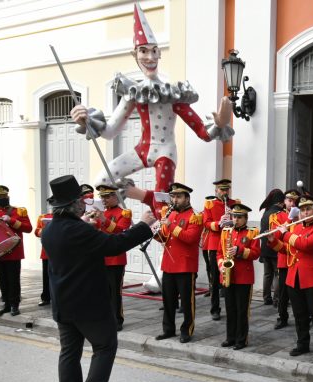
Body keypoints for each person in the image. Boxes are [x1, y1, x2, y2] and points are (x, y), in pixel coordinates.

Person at [69, 3, 233, 213]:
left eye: (154, 51)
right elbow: (110, 132)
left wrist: (219, 123)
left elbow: (202, 132)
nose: (149, 57)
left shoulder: (172, 93)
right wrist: (87, 120)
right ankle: (104, 220)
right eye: (143, 51)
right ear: (134, 54)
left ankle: (139, 200)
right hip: (143, 149)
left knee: (162, 203)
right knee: (101, 179)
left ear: (159, 54)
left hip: (166, 152)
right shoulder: (133, 93)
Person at [41, 175, 156, 382]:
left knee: (69, 352)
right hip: (88, 303)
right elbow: (115, 244)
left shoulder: (51, 228)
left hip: (63, 302)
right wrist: (144, 225)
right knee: (105, 346)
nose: (86, 203)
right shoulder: (78, 230)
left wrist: (85, 225)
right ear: (76, 205)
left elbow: (77, 241)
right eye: (82, 200)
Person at [270, 194, 313, 361]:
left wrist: (284, 235)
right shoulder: (295, 228)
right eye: (303, 210)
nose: (305, 213)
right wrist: (272, 241)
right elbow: (288, 250)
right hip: (294, 276)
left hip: (312, 277)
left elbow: (305, 245)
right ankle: (302, 344)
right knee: (299, 314)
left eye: (308, 210)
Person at [154, 183, 204, 343]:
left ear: (187, 198)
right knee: (168, 300)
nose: (175, 200)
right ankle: (168, 329)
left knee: (187, 301)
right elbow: (165, 238)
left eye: (178, 197)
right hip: (169, 264)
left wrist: (171, 225)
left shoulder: (195, 216)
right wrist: (154, 232)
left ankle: (186, 330)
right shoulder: (170, 214)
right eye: (173, 196)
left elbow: (190, 239)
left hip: (185, 265)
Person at [86, 185, 132, 331]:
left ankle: (117, 319)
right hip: (100, 257)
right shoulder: (100, 213)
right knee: (101, 291)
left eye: (107, 196)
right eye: (102, 197)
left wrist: (104, 220)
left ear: (115, 197)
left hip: (116, 258)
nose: (103, 200)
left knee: (115, 292)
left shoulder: (124, 213)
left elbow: (120, 231)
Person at [0, 185, 32, 316]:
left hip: (14, 251)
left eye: (4, 196)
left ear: (8, 196)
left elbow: (28, 228)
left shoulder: (19, 211)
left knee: (13, 280)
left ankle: (15, 305)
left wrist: (11, 220)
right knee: (2, 279)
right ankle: (6, 304)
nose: (2, 198)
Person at [218, 204, 260, 350]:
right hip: (228, 275)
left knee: (242, 310)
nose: (236, 220)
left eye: (239, 217)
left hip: (244, 277)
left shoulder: (253, 232)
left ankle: (241, 340)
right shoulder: (225, 232)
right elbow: (219, 253)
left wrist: (240, 250)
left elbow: (256, 253)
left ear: (246, 218)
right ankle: (230, 337)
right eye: (234, 217)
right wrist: (221, 264)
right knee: (230, 309)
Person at [202, 179, 239, 320]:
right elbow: (205, 222)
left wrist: (232, 218)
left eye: (226, 189)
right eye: (222, 190)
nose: (225, 192)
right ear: (216, 191)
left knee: (232, 275)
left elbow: (241, 221)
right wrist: (218, 223)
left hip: (230, 242)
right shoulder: (210, 204)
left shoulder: (234, 203)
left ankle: (232, 306)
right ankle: (215, 308)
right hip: (214, 243)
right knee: (215, 277)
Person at [268, 189, 300, 329]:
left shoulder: (303, 215)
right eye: (289, 200)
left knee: (299, 291)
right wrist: (289, 219)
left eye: (294, 200)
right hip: (284, 257)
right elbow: (275, 236)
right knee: (282, 292)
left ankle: (303, 317)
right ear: (284, 201)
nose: (292, 203)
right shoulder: (277, 216)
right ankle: (282, 317)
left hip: (299, 258)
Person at [259, 189, 285, 306]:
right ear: (280, 201)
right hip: (275, 247)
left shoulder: (266, 212)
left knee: (267, 274)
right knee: (277, 274)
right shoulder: (280, 213)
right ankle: (277, 299)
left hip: (264, 248)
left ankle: (266, 298)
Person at [34, 207, 54, 307]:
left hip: (61, 252)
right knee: (46, 276)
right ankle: (45, 297)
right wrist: (41, 231)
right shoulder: (43, 217)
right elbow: (36, 231)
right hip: (47, 251)